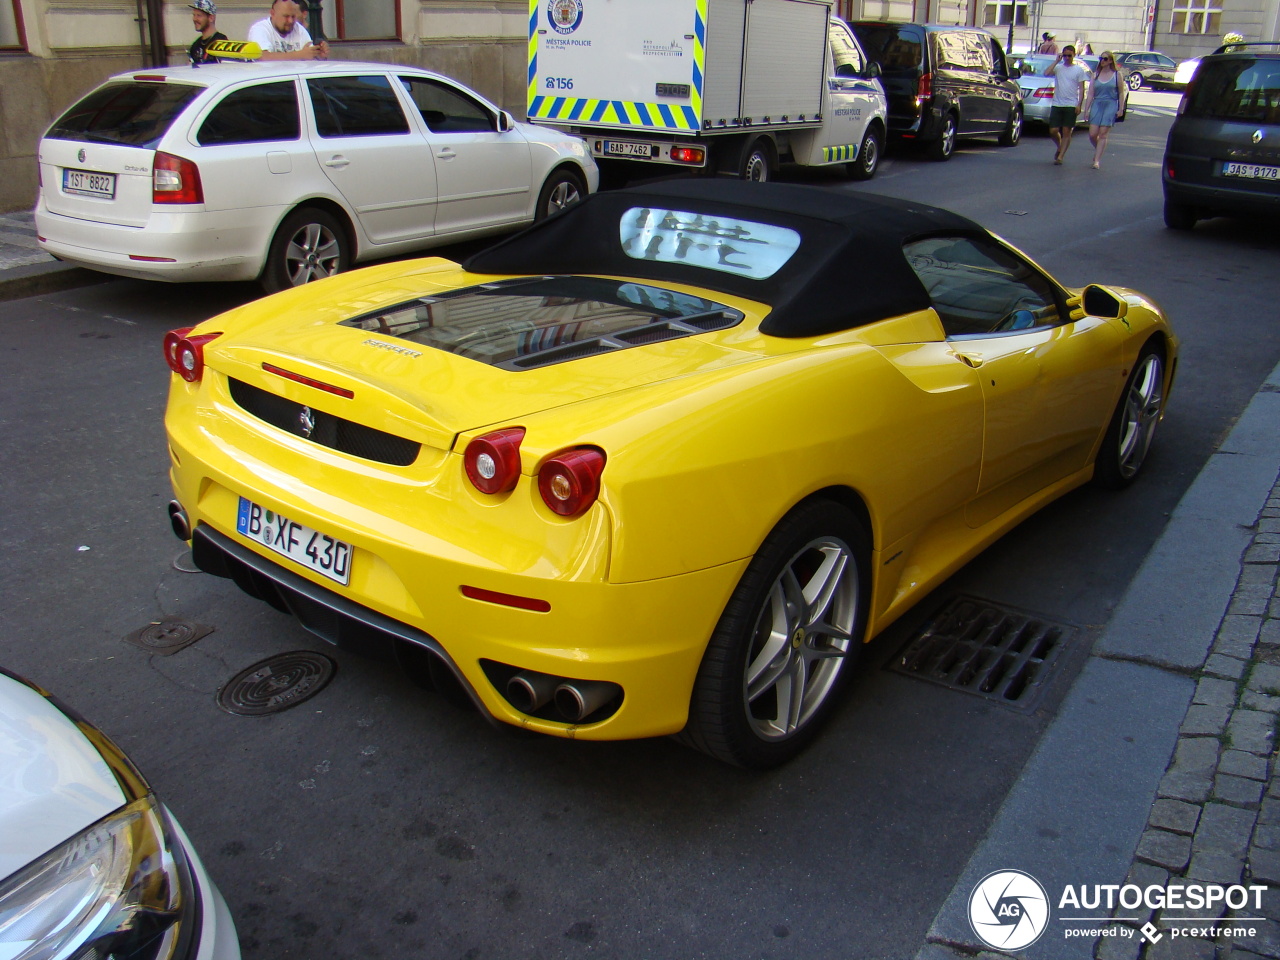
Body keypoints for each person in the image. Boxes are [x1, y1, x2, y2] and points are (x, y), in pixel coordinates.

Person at [1081, 51, 1126, 169]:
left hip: (1110, 104)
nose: (1102, 61)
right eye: (1101, 58)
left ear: (1111, 61)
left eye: (1105, 59)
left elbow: (1121, 92)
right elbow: (1090, 93)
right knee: (1092, 134)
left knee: (1103, 134)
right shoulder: (1095, 75)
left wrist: (1121, 108)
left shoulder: (1117, 75)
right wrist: (1086, 109)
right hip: (1097, 103)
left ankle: (1097, 160)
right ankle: (1099, 150)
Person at [1045, 44, 1089, 164]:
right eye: (1065, 55)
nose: (1067, 58)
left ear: (1074, 55)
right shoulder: (1059, 68)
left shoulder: (1078, 70)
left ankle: (1061, 156)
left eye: (1069, 55)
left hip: (1071, 104)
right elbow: (1046, 73)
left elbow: (1081, 88)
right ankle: (1059, 147)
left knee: (1066, 131)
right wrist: (1056, 61)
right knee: (1053, 130)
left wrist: (1079, 104)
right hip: (1057, 103)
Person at [247, 0, 327, 60]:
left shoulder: (298, 28)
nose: (291, 21)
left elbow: (309, 54)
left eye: (293, 16)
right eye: (286, 16)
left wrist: (318, 53)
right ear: (272, 13)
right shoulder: (260, 29)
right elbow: (263, 57)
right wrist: (299, 54)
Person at [188, 0, 227, 65]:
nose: (194, 19)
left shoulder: (221, 42)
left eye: (199, 15)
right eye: (194, 15)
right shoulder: (195, 45)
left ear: (211, 18)